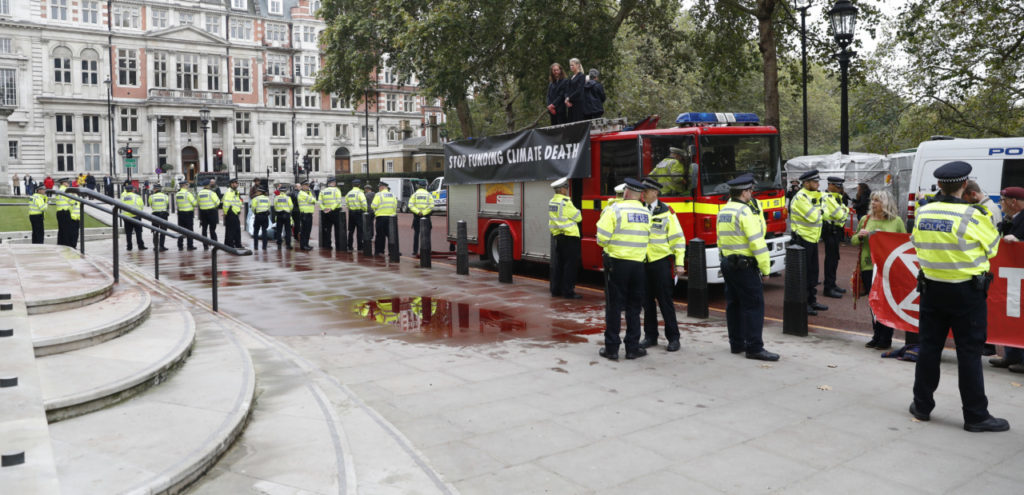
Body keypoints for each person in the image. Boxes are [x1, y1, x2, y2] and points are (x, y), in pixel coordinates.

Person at [909, 161, 1007, 432]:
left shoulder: (924, 211)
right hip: (966, 294)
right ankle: (975, 416)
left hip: (931, 290)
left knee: (929, 348)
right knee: (969, 353)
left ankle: (921, 405)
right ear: (965, 185)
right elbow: (992, 249)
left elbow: (916, 242)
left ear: (939, 185)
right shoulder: (974, 215)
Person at [715, 174, 779, 361]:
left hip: (728, 263)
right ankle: (754, 348)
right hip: (744, 266)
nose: (752, 193)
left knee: (733, 304)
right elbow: (757, 243)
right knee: (754, 306)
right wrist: (766, 269)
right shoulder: (745, 213)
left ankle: (736, 344)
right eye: (750, 190)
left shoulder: (724, 211)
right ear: (744, 192)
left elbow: (720, 240)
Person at [597, 178, 652, 361]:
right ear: (641, 195)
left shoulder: (614, 210)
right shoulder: (646, 213)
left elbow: (601, 239)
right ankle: (632, 348)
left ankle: (612, 349)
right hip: (638, 265)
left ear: (626, 192)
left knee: (614, 307)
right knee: (634, 308)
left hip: (618, 264)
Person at [851, 191, 906, 349]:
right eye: (872, 200)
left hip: (889, 267)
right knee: (874, 303)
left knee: (887, 302)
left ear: (886, 203)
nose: (873, 203)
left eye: (877, 201)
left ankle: (886, 338)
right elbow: (854, 241)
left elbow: (903, 243)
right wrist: (860, 236)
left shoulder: (896, 222)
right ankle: (876, 335)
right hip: (869, 266)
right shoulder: (865, 219)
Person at [639, 177, 686, 352]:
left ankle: (674, 338)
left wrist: (679, 264)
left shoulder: (667, 212)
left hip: (660, 263)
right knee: (647, 302)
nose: (643, 194)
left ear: (655, 192)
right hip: (643, 263)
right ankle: (650, 337)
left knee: (665, 302)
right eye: (642, 191)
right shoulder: (639, 210)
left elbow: (678, 240)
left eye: (647, 191)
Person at [988, 186, 1024, 371]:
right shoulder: (1011, 218)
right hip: (1011, 276)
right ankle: (1011, 356)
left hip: (1020, 276)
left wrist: (1020, 243)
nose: (1000, 204)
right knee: (1010, 314)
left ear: (1013, 202)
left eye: (1002, 201)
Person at [789, 169, 828, 315]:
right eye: (815, 182)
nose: (818, 184)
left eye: (818, 181)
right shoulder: (800, 197)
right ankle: (803, 304)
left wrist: (820, 210)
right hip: (803, 239)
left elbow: (823, 211)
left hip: (812, 239)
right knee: (804, 274)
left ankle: (812, 300)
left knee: (813, 273)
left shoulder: (814, 195)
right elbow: (813, 217)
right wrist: (820, 211)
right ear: (806, 183)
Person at [548, 177, 583, 299]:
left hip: (559, 236)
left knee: (559, 264)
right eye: (566, 187)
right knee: (570, 265)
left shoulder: (552, 202)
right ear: (562, 189)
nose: (567, 190)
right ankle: (568, 291)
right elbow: (578, 217)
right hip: (570, 237)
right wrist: (577, 211)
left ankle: (556, 290)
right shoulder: (566, 202)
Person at [821, 176, 849, 298]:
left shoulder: (837, 198)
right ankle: (828, 287)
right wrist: (842, 212)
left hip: (836, 231)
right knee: (831, 259)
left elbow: (844, 213)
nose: (840, 189)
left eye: (840, 186)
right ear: (830, 185)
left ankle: (832, 284)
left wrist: (843, 212)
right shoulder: (826, 197)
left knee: (834, 259)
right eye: (837, 186)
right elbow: (839, 214)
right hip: (830, 230)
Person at [371, 181, 398, 257]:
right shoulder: (392, 194)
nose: (378, 188)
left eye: (379, 187)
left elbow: (373, 205)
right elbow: (395, 205)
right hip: (391, 218)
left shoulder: (378, 195)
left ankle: (379, 251)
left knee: (380, 235)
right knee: (391, 235)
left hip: (381, 217)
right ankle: (392, 251)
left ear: (382, 187)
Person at [408, 179, 434, 256]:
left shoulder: (414, 194)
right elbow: (431, 205)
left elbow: (410, 205)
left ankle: (415, 251)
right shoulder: (429, 195)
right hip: (426, 217)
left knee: (416, 234)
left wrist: (418, 212)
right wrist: (424, 213)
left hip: (417, 217)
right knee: (427, 234)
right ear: (425, 186)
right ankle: (428, 250)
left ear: (418, 186)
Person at [317, 177, 343, 249]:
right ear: (333, 182)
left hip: (325, 212)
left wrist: (324, 208)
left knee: (327, 230)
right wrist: (331, 208)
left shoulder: (322, 191)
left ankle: (327, 245)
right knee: (337, 230)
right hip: (335, 212)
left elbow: (319, 202)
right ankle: (338, 246)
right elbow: (338, 201)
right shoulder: (336, 190)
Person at [121, 184, 146, 251]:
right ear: (132, 190)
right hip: (136, 216)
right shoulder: (137, 196)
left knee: (128, 233)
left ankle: (129, 246)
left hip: (126, 217)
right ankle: (140, 245)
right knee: (138, 232)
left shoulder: (123, 197)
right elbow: (141, 206)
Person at [197, 179, 221, 249]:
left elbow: (198, 203)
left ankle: (205, 245)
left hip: (203, 213)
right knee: (212, 229)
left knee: (204, 229)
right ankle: (215, 244)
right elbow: (218, 202)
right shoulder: (211, 193)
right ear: (209, 185)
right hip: (212, 212)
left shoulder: (200, 193)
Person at [345, 179, 367, 250]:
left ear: (352, 185)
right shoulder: (360, 193)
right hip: (359, 213)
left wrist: (350, 208)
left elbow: (346, 203)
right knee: (359, 231)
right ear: (359, 185)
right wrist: (365, 210)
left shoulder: (349, 193)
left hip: (351, 213)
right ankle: (360, 247)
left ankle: (350, 246)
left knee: (351, 231)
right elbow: (364, 203)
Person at [175, 182, 197, 251]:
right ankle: (190, 245)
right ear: (184, 185)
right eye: (187, 185)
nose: (188, 186)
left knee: (181, 230)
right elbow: (194, 203)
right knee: (189, 230)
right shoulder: (188, 194)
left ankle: (180, 245)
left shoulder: (177, 194)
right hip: (188, 214)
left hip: (180, 213)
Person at [148, 184, 170, 251]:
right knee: (163, 231)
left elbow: (150, 204)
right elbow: (167, 204)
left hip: (155, 214)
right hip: (163, 215)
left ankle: (155, 246)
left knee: (155, 231)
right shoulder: (165, 196)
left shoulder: (151, 197)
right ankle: (161, 246)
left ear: (155, 189)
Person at [222, 179, 243, 249]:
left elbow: (238, 202)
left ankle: (236, 244)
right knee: (231, 230)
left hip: (235, 212)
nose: (236, 184)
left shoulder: (236, 192)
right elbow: (226, 203)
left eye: (237, 183)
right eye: (235, 183)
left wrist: (239, 209)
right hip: (231, 212)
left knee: (236, 229)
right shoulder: (229, 192)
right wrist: (225, 213)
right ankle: (230, 244)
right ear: (231, 184)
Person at [564, 58, 586, 123]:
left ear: (578, 65)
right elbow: (567, 89)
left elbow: (579, 90)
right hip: (570, 104)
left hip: (578, 103)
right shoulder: (571, 77)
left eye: (572, 65)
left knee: (578, 121)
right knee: (570, 122)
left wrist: (569, 98)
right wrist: (566, 99)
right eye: (570, 65)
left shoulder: (581, 76)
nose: (571, 67)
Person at [274, 184, 294, 250]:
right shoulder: (288, 198)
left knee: (279, 230)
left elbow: (275, 206)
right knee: (288, 230)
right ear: (285, 191)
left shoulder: (276, 198)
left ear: (280, 191)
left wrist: (278, 210)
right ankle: (288, 244)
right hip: (286, 214)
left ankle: (279, 243)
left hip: (279, 214)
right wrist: (288, 210)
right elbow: (291, 206)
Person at [296, 180, 316, 251]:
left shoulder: (308, 192)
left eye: (308, 185)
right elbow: (313, 200)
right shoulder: (302, 193)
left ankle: (306, 244)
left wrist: (312, 197)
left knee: (308, 230)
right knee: (304, 231)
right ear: (302, 186)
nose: (307, 186)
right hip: (305, 214)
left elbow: (314, 199)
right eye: (306, 185)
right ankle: (303, 245)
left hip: (309, 213)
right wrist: (313, 199)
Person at [54, 177, 72, 247]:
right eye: (67, 182)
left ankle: (60, 244)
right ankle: (66, 245)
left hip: (59, 212)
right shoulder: (65, 190)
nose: (68, 183)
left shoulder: (59, 190)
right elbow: (71, 200)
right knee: (66, 230)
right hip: (65, 212)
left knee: (61, 230)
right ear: (64, 183)